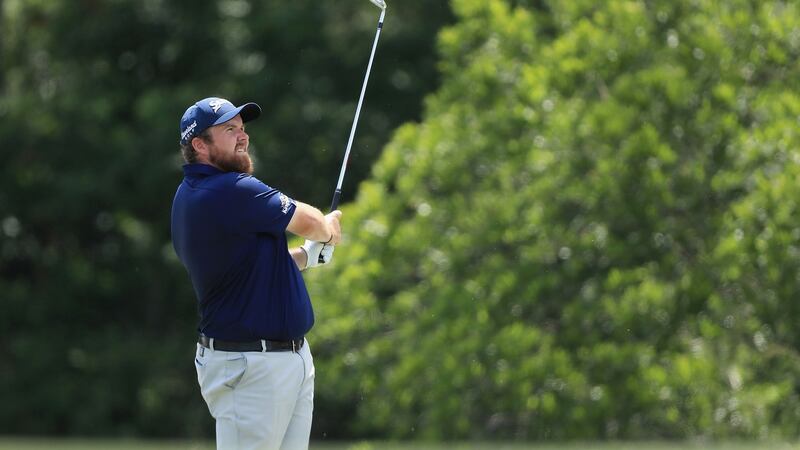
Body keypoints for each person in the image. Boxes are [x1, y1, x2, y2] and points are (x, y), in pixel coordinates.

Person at [170, 96, 341, 450]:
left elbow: (248, 269)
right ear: (199, 145)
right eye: (229, 129)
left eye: (242, 128)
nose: (242, 136)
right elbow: (309, 222)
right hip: (250, 366)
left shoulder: (197, 192)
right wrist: (327, 228)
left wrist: (306, 258)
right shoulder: (228, 190)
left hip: (281, 361)